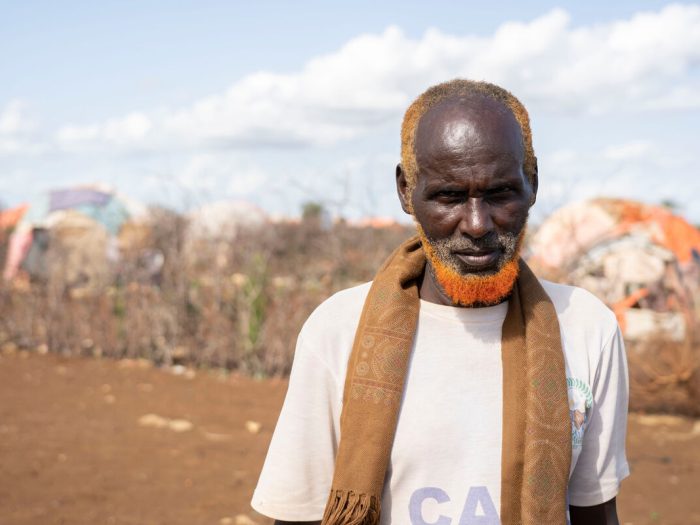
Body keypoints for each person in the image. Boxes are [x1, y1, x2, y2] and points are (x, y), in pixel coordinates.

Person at [251, 79, 630, 525]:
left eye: (500, 193)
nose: (476, 224)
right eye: (449, 196)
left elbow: (596, 513)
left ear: (533, 185)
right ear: (405, 191)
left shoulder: (586, 329)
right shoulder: (336, 331)